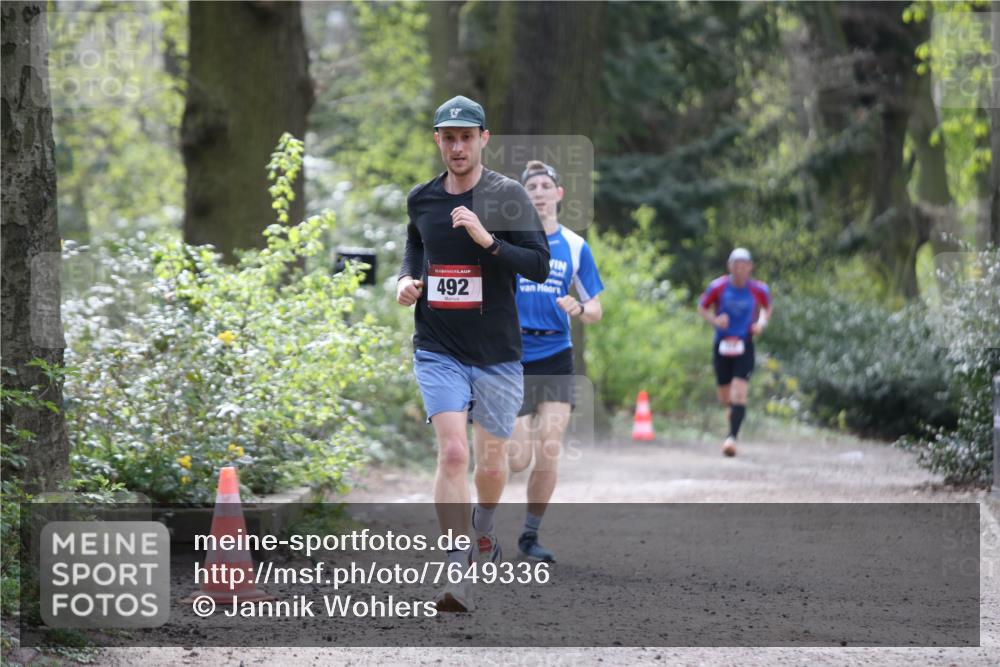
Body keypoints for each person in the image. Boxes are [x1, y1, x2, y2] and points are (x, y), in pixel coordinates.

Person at [396, 96, 550, 612]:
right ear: (437, 140)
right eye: (448, 137)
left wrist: (488, 242)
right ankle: (454, 566)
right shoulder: (422, 198)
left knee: (490, 461)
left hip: (497, 351)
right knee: (454, 453)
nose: (457, 146)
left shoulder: (508, 197)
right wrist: (405, 279)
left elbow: (539, 267)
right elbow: (416, 245)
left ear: (484, 139)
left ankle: (484, 523)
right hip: (438, 345)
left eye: (466, 137)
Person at [507, 160, 604, 563]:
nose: (540, 192)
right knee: (517, 458)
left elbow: (596, 308)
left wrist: (578, 308)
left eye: (546, 185)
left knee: (549, 449)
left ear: (559, 195)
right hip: (510, 358)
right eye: (532, 187)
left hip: (556, 356)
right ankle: (481, 524)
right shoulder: (508, 243)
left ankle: (530, 536)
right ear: (524, 197)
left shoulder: (576, 246)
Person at [697, 248, 772, 457]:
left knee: (739, 391)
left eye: (744, 265)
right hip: (722, 345)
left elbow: (767, 307)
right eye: (736, 265)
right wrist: (715, 320)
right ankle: (734, 420)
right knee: (725, 397)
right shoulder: (718, 286)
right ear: (730, 266)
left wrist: (761, 324)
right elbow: (702, 306)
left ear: (750, 267)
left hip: (744, 345)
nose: (739, 269)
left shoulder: (759, 289)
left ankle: (731, 438)